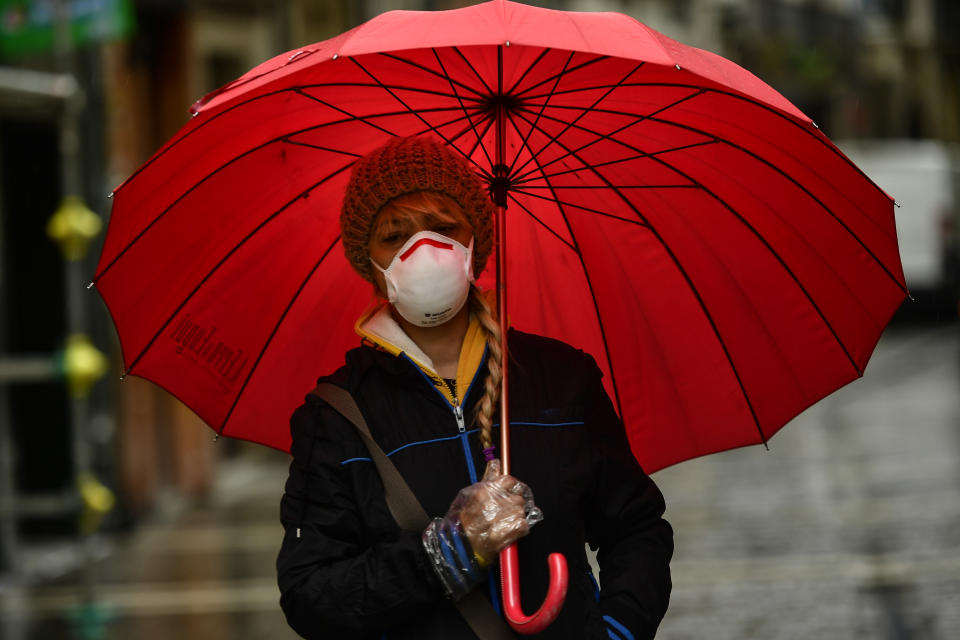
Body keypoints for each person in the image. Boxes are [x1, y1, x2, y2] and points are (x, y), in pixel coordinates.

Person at [276, 135, 673, 639]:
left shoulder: (561, 380)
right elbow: (311, 596)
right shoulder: (337, 418)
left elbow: (638, 530)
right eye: (395, 235)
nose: (422, 249)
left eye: (443, 228)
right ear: (369, 262)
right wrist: (448, 553)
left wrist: (616, 631)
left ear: (474, 244)